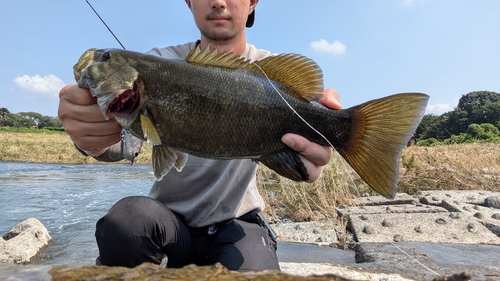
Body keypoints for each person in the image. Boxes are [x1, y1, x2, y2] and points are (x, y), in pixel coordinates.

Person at [58, 0, 342, 272]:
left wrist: (329, 130)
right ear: (188, 1)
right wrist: (91, 142)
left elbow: (316, 109)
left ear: (253, 2)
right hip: (167, 226)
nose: (218, 2)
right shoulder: (159, 62)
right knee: (126, 223)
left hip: (238, 225)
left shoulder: (269, 72)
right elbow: (124, 145)